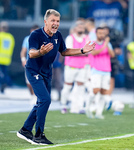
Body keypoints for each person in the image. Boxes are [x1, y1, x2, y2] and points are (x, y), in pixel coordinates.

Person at [16, 9, 95, 145]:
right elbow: (31, 53)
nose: (55, 23)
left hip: (47, 72)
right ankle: (39, 135)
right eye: (53, 20)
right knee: (45, 100)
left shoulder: (57, 35)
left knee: (42, 102)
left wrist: (82, 50)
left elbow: (64, 51)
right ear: (45, 22)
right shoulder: (36, 35)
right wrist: (40, 51)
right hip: (34, 71)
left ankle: (25, 130)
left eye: (57, 21)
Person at [86, 27, 115, 119]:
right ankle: (88, 108)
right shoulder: (92, 43)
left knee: (103, 92)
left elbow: (112, 55)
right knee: (95, 90)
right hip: (96, 69)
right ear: (96, 34)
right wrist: (105, 45)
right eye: (100, 33)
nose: (102, 35)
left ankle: (99, 112)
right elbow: (94, 53)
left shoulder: (108, 44)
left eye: (103, 33)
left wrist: (106, 44)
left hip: (106, 70)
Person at [60, 20, 89, 114]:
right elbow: (69, 52)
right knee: (67, 86)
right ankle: (64, 104)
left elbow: (88, 51)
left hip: (82, 66)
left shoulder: (86, 38)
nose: (81, 28)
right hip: (71, 66)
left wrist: (79, 52)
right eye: (79, 26)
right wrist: (82, 52)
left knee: (81, 87)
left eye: (82, 27)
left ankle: (80, 106)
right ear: (75, 28)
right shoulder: (70, 38)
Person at [20, 25, 39, 105]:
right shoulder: (27, 39)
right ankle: (32, 95)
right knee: (28, 82)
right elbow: (23, 51)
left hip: (38, 63)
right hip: (29, 63)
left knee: (35, 80)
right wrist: (23, 60)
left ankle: (35, 96)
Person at [0, 21, 15, 93]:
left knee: (2, 74)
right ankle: (6, 83)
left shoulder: (0, 36)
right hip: (7, 58)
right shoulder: (10, 37)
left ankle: (5, 83)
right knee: (5, 73)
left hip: (0, 58)